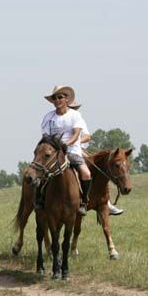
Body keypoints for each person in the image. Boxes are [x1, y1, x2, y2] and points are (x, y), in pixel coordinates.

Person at [40, 85, 91, 216]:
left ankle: (84, 202)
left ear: (66, 99)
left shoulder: (75, 115)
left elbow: (76, 135)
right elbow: (45, 136)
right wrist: (54, 147)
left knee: (86, 173)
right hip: (53, 153)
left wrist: (65, 144)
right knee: (39, 171)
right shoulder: (48, 117)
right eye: (55, 98)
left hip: (72, 151)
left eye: (60, 97)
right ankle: (40, 200)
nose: (57, 100)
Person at [79, 123, 124, 216]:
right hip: (57, 150)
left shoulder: (77, 118)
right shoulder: (53, 118)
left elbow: (87, 136)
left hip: (78, 150)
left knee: (100, 172)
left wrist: (75, 142)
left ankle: (106, 202)